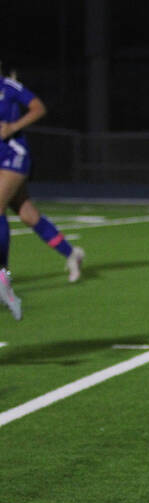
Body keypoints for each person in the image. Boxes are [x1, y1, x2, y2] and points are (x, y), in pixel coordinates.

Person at [0, 67, 85, 320]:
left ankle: (3, 276)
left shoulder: (8, 86)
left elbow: (39, 108)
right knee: (27, 214)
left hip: (14, 153)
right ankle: (72, 253)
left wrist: (13, 126)